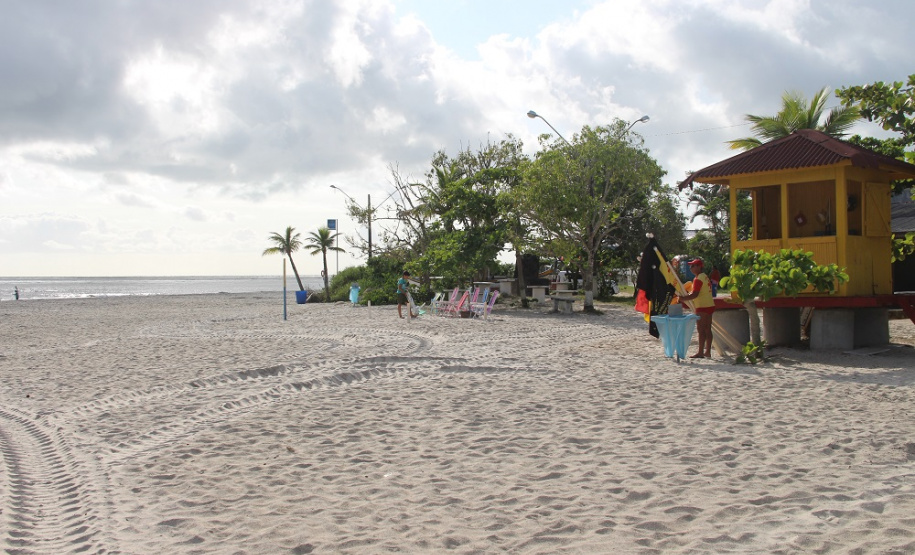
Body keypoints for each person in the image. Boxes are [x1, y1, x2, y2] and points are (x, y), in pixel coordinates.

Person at [678, 258, 715, 358]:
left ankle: (700, 352)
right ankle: (707, 351)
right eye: (690, 266)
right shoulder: (704, 276)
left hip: (702, 306)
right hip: (709, 304)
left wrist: (683, 298)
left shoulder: (698, 278)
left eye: (693, 266)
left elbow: (695, 294)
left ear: (699, 267)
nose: (691, 268)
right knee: (708, 329)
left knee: (701, 329)